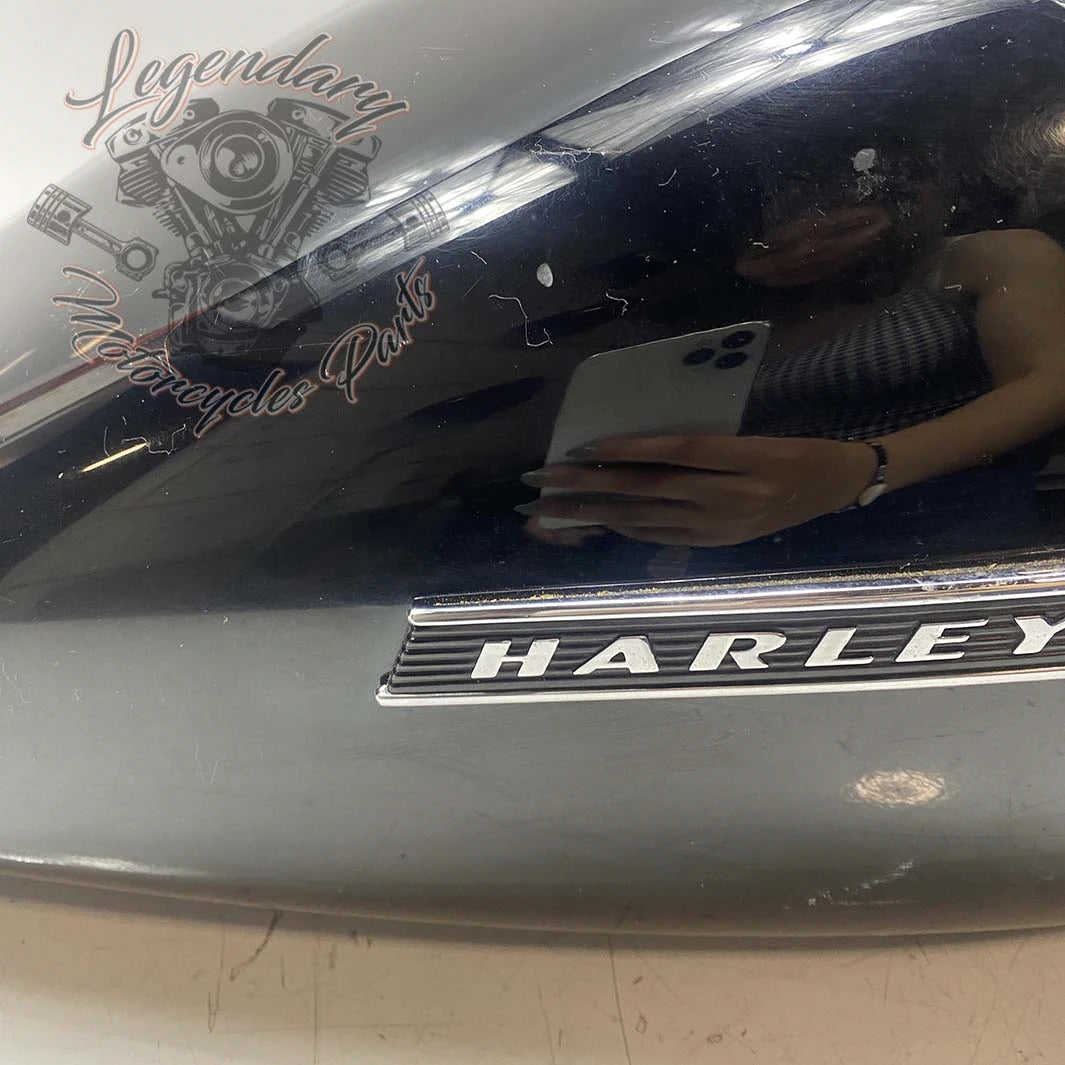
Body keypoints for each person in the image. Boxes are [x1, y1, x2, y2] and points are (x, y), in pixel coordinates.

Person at [516, 140, 1065, 557]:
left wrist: (867, 469)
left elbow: (1047, 387)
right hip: (752, 553)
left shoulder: (985, 255)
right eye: (769, 239)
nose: (806, 243)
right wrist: (597, 493)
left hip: (944, 536)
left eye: (839, 221)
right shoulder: (733, 319)